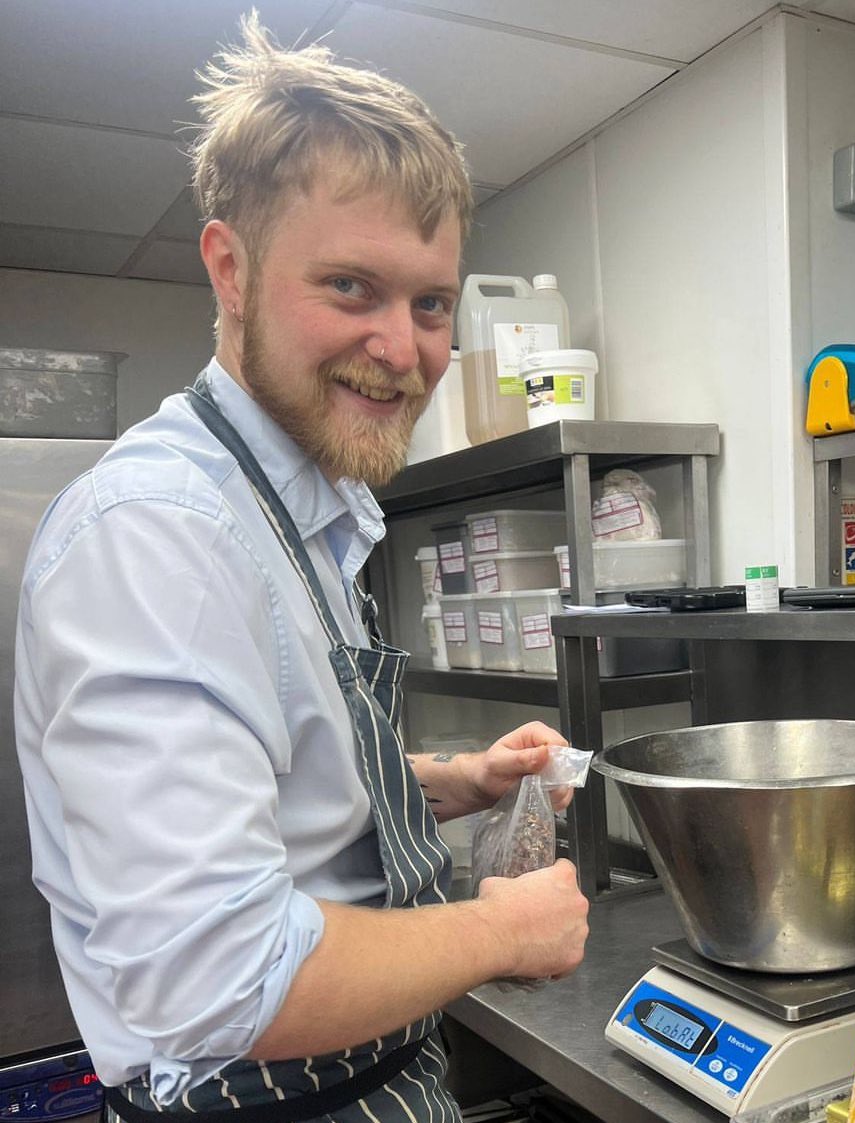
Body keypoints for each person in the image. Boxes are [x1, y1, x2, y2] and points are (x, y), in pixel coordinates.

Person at [13, 14, 590, 1123]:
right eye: (350, 289)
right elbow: (217, 977)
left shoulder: (304, 507)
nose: (403, 348)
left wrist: (445, 779)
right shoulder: (161, 534)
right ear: (231, 269)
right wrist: (503, 929)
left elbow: (259, 776)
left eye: (430, 303)